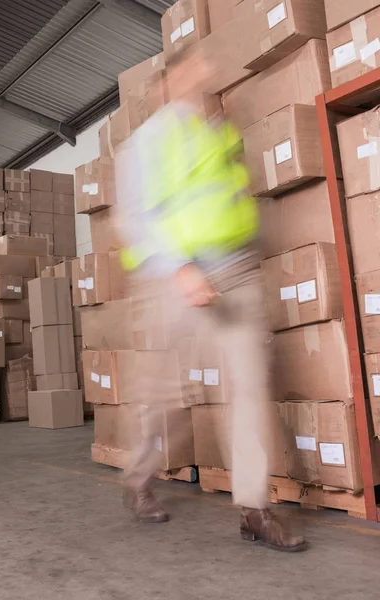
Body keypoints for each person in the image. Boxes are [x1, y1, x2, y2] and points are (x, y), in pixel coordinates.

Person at [115, 45, 307, 553]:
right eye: (193, 66)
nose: (206, 71)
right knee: (164, 396)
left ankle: (253, 508)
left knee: (248, 386)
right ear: (168, 82)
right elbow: (135, 215)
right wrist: (180, 266)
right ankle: (139, 479)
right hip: (174, 275)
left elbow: (233, 200)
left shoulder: (221, 134)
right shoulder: (149, 139)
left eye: (207, 63)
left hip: (236, 270)